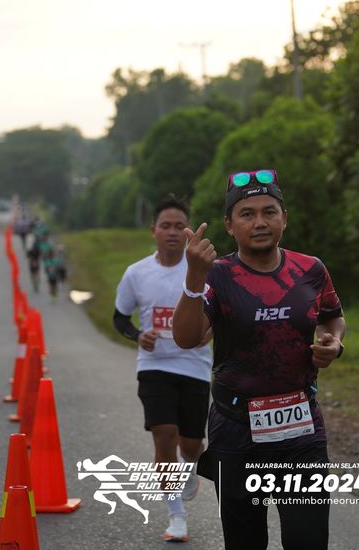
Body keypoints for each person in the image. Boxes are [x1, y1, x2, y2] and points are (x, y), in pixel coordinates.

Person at [173, 169, 345, 550]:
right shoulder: (218, 276)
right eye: (247, 214)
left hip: (301, 429)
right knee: (245, 541)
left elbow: (333, 315)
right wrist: (194, 277)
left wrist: (334, 342)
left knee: (308, 540)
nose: (260, 222)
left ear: (285, 218)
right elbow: (186, 337)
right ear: (229, 225)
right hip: (236, 431)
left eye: (269, 211)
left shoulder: (311, 270)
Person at [113, 194, 212, 543]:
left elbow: (219, 315)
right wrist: (138, 336)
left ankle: (189, 468)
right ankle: (176, 515)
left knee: (192, 444)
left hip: (195, 367)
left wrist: (207, 331)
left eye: (178, 226)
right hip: (154, 366)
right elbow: (120, 318)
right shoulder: (137, 273)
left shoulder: (202, 272)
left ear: (188, 231)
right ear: (153, 230)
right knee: (164, 434)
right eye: (165, 226)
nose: (172, 232)